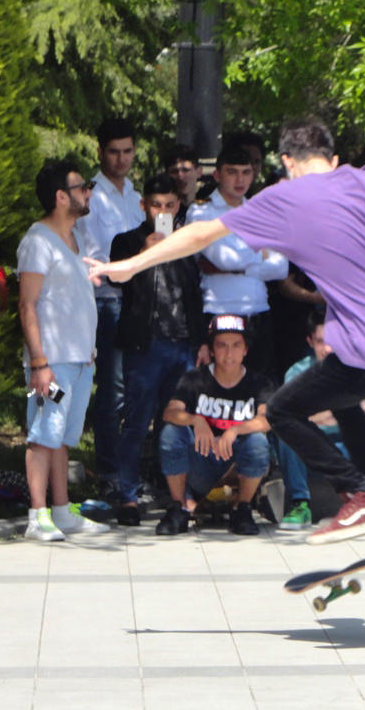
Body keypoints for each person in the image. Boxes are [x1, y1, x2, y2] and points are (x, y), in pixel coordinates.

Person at [85, 120, 365, 544]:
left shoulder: (286, 198)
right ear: (333, 160)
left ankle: (362, 495)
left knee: (281, 411)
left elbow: (201, 232)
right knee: (341, 393)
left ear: (287, 162)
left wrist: (130, 266)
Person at [109, 174, 208, 526]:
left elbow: (195, 294)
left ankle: (178, 497)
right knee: (136, 422)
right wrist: (144, 252)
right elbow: (114, 277)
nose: (162, 211)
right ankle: (128, 496)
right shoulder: (126, 241)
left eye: (169, 205)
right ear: (144, 206)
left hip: (183, 344)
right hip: (145, 344)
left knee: (175, 423)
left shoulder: (187, 242)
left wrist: (202, 342)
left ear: (178, 206)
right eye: (156, 205)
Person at [18, 161, 109, 540]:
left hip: (79, 361)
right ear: (61, 196)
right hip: (51, 364)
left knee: (62, 437)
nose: (88, 191)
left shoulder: (76, 238)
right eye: (82, 186)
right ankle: (36, 517)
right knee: (44, 434)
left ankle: (61, 509)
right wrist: (39, 364)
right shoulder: (38, 242)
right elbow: (27, 306)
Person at [274, 311, 365, 530]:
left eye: (333, 342)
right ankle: (299, 504)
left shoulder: (364, 366)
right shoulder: (297, 372)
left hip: (352, 446)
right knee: (283, 430)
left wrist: (320, 412)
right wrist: (357, 407)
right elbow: (290, 415)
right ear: (310, 342)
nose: (327, 349)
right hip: (316, 450)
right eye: (321, 342)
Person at [156, 315, 273, 536]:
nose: (229, 353)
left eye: (236, 345)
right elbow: (170, 412)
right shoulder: (194, 379)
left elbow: (266, 420)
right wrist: (196, 420)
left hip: (237, 464)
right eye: (221, 346)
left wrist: (235, 430)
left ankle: (243, 508)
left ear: (245, 350)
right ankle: (178, 508)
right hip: (201, 460)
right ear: (211, 350)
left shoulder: (259, 383)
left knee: (258, 440)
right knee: (171, 434)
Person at [79, 118, 143, 494]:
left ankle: (130, 471)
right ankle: (107, 472)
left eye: (127, 151)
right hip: (105, 298)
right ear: (100, 152)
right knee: (113, 388)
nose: (121, 159)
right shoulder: (90, 195)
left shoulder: (135, 195)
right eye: (114, 152)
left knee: (137, 388)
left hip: (138, 297)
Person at [187, 145, 288, 377]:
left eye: (246, 172)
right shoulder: (202, 211)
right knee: (219, 390)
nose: (240, 179)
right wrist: (259, 251)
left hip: (258, 312)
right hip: (220, 310)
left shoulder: (259, 212)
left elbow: (281, 267)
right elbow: (224, 260)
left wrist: (240, 266)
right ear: (217, 175)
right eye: (232, 172)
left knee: (258, 393)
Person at [163, 144, 202, 219]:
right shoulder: (164, 212)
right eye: (174, 171)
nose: (180, 176)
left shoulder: (209, 210)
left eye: (185, 170)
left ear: (199, 172)